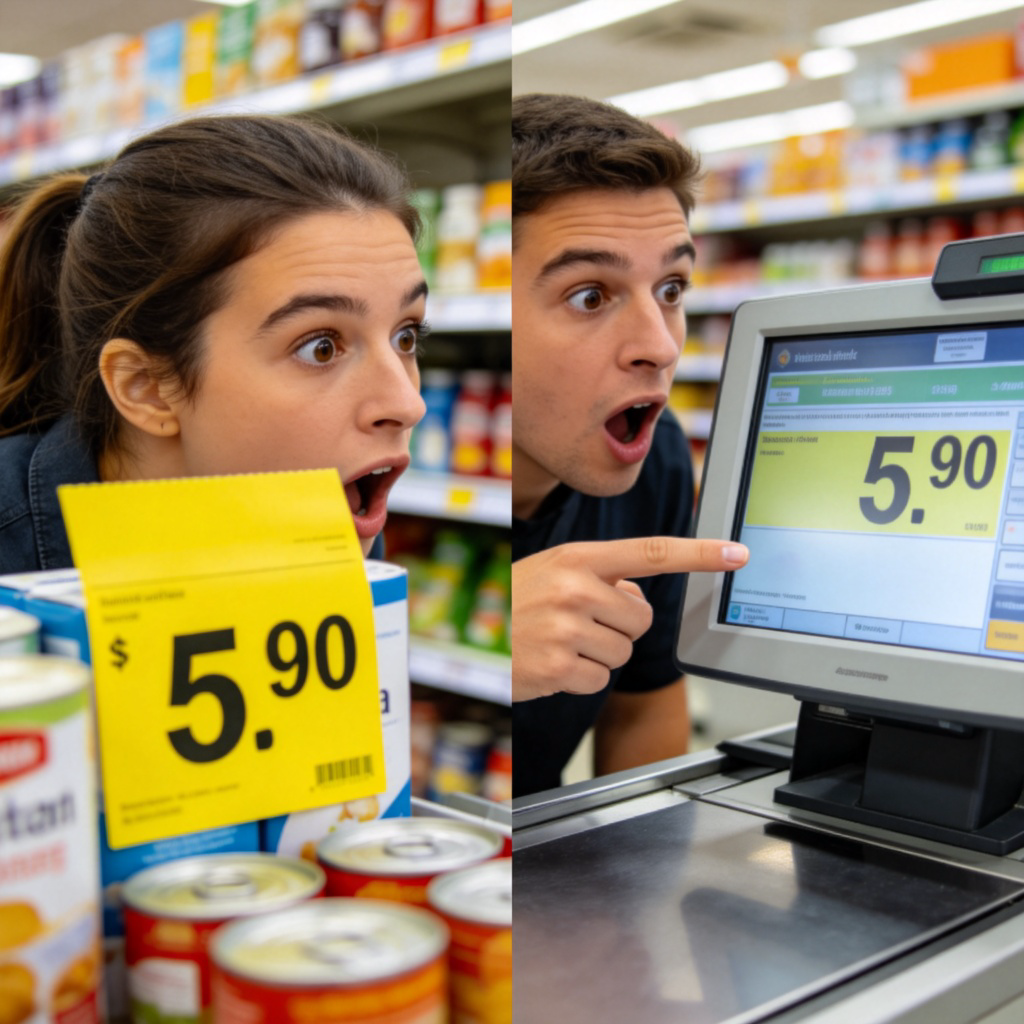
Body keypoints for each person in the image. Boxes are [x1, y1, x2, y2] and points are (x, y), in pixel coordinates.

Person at [0, 114, 428, 572]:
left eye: (405, 336)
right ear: (145, 386)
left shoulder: (336, 517)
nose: (407, 404)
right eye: (320, 347)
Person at [511, 93, 749, 796]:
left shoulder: (656, 455)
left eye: (671, 287)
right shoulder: (370, 477)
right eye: (591, 295)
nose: (659, 345)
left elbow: (647, 699)